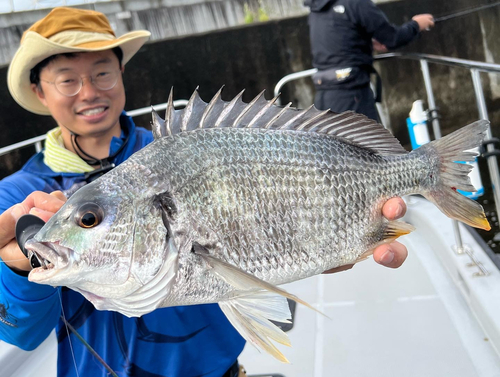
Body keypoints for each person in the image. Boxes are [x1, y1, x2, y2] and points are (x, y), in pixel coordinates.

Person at [0, 6, 408, 377]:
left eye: (102, 72)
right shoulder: (17, 197)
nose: (89, 92)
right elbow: (21, 334)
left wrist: (324, 244)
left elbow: (262, 241)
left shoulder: (175, 150)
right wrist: (19, 268)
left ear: (121, 72)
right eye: (67, 80)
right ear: (40, 91)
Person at [305, 0, 435, 121]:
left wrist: (364, 41)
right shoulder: (355, 3)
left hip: (324, 96)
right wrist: (416, 24)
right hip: (353, 95)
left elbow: (336, 39)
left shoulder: (316, 8)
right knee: (369, 145)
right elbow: (392, 38)